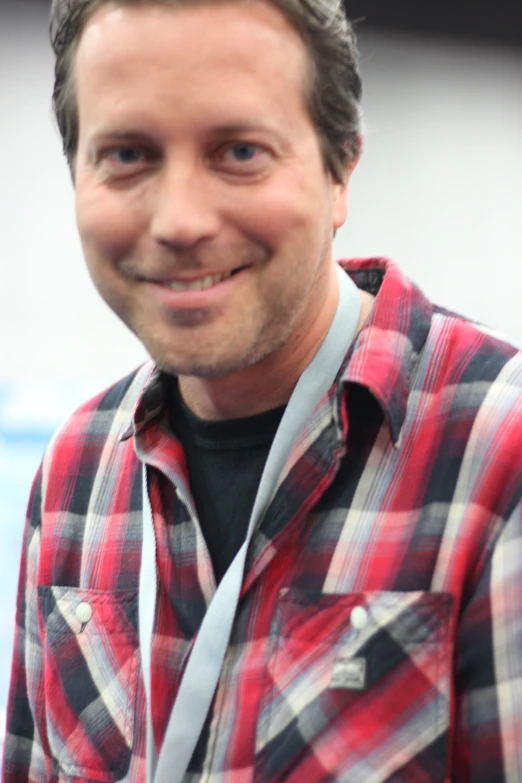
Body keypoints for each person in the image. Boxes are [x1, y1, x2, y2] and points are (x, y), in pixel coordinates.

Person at [3, 0, 522, 780]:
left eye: (239, 150)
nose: (179, 220)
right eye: (128, 154)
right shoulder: (76, 472)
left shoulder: (499, 457)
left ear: (342, 166)